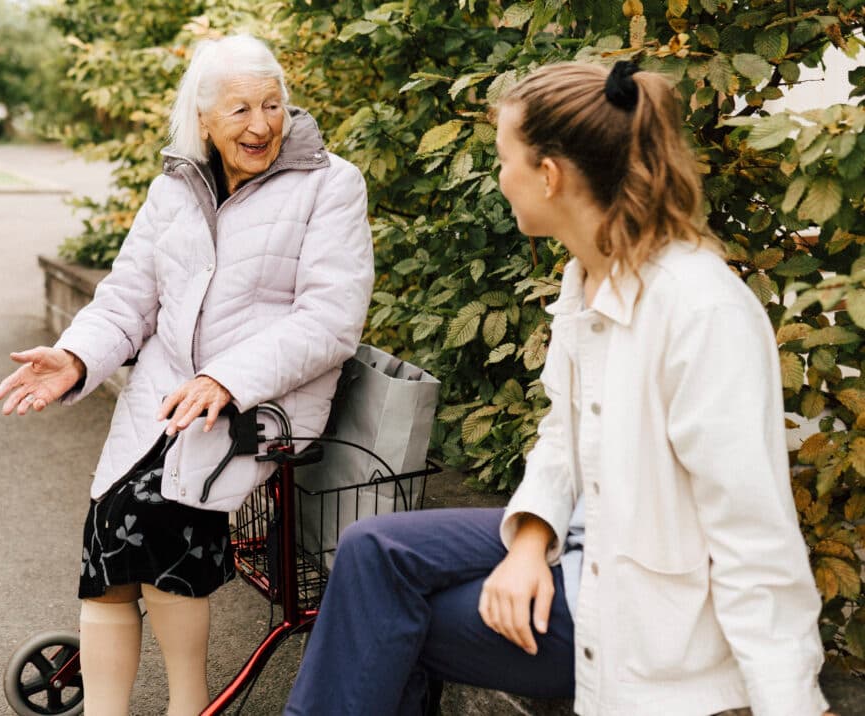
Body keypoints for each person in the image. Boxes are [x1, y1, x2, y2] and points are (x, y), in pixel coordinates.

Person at [284, 61, 832, 716]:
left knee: (388, 621)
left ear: (549, 175)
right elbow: (563, 436)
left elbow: (754, 537)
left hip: (642, 608)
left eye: (503, 159)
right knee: (371, 551)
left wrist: (792, 703)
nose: (499, 177)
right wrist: (529, 540)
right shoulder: (587, 278)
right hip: (585, 535)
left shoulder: (699, 310)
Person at [0, 34, 373, 716]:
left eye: (272, 105)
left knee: (155, 519)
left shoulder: (332, 184)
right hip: (171, 397)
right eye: (239, 110)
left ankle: (189, 705)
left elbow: (332, 319)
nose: (261, 125)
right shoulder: (174, 189)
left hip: (265, 403)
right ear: (203, 119)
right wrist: (76, 357)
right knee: (107, 524)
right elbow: (128, 299)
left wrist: (226, 378)